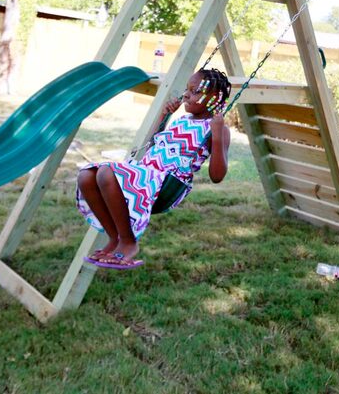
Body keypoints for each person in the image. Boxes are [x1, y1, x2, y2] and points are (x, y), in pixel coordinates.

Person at [75, 68, 232, 269]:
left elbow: (217, 176)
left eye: (195, 91)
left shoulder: (216, 128)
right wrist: (165, 116)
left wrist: (218, 135)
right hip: (145, 172)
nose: (186, 95)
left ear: (215, 97)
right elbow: (157, 144)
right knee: (86, 176)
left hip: (167, 182)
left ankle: (129, 242)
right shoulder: (183, 120)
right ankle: (115, 238)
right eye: (187, 89)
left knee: (106, 173)